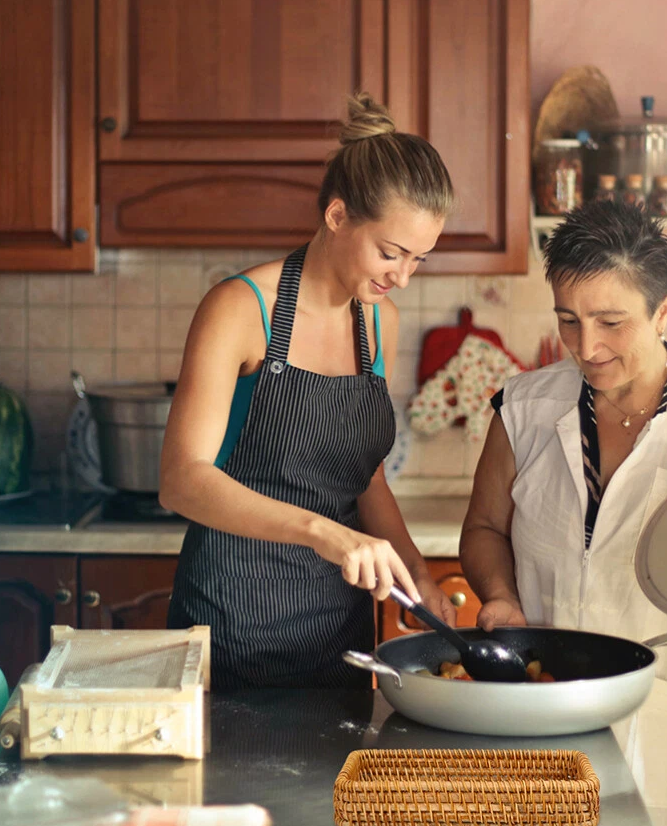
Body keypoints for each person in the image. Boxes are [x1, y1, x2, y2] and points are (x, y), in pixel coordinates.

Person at [460, 201, 667, 826]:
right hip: (548, 720)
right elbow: (486, 528)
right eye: (568, 320)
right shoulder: (522, 409)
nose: (587, 347)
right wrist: (500, 595)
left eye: (611, 322)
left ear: (663, 312)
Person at [161, 92, 457, 690]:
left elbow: (365, 480)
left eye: (419, 260)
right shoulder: (240, 308)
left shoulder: (380, 321)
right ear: (338, 216)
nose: (402, 277)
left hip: (339, 635)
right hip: (231, 624)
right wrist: (323, 532)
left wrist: (419, 574)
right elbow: (182, 481)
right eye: (390, 253)